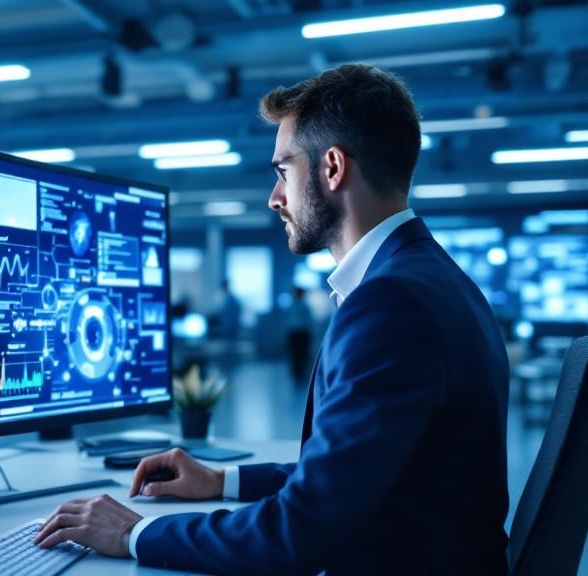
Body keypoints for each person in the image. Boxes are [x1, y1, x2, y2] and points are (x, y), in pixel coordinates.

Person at [33, 63, 509, 575]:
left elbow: (299, 534)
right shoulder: (433, 279)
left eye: (283, 170)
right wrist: (221, 481)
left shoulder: (390, 303)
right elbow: (350, 476)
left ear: (331, 168)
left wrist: (133, 532)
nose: (274, 197)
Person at [284, 286, 313, 383]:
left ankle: (300, 373)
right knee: (298, 354)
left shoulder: (294, 306)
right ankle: (298, 373)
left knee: (299, 354)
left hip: (298, 332)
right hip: (298, 333)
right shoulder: (298, 306)